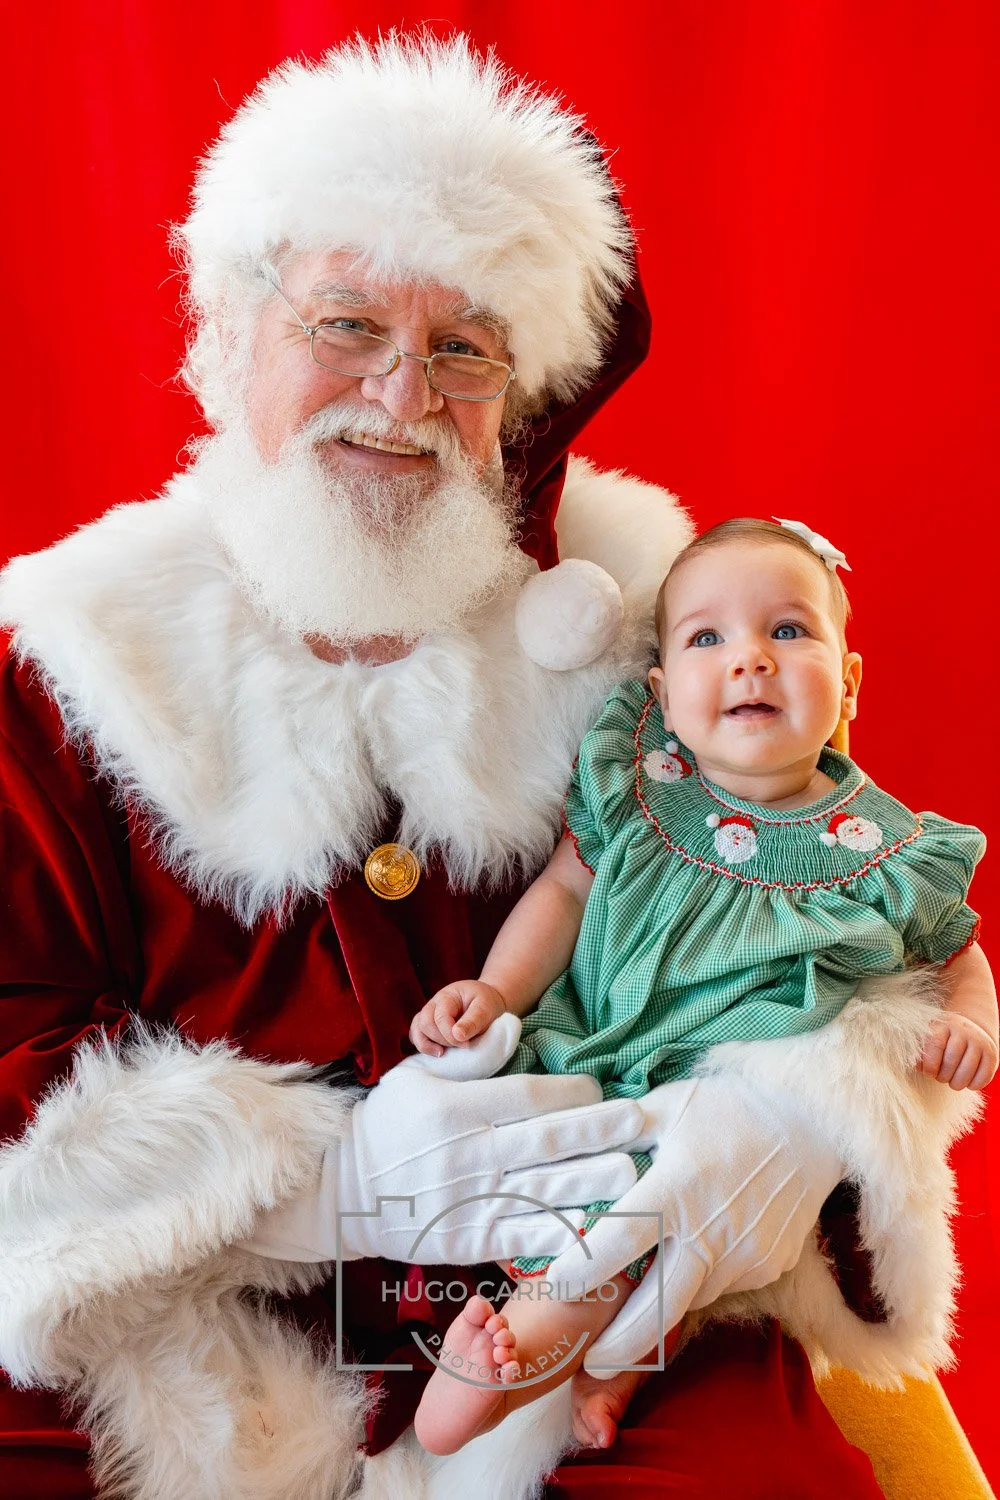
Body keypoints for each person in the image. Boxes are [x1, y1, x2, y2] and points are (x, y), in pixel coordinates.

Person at [0, 34, 934, 1500]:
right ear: (233, 332)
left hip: (585, 1299)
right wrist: (325, 1186)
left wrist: (776, 1121)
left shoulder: (654, 624)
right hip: (189, 1317)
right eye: (349, 322)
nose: (399, 393)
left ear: (525, 389)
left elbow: (847, 918)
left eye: (463, 348)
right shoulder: (66, 661)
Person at [407, 516, 996, 1457]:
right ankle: (608, 1378)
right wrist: (496, 989)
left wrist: (974, 1021)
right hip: (597, 1051)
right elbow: (563, 890)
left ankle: (500, 1369)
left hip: (725, 1099)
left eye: (790, 631)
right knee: (597, 1214)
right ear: (664, 693)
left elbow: (957, 950)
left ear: (848, 684)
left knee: (642, 1228)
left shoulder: (883, 848)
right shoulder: (640, 787)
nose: (751, 660)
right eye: (707, 638)